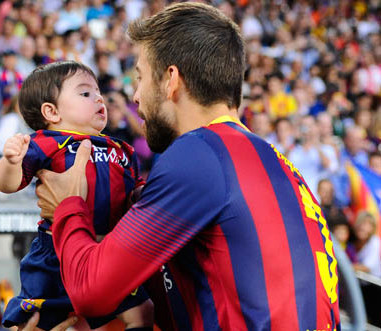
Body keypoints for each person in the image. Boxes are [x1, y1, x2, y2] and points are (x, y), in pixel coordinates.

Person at [31, 3, 340, 330]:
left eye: (140, 77)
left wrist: (67, 207)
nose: (135, 96)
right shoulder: (278, 162)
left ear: (170, 80)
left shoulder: (199, 154)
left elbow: (91, 291)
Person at [0, 61, 153, 331]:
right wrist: (11, 161)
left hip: (107, 250)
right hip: (55, 250)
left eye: (98, 91)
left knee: (142, 312)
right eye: (85, 93)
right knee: (37, 321)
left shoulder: (122, 148)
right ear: (51, 112)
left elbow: (137, 193)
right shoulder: (46, 143)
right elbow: (7, 184)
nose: (99, 98)